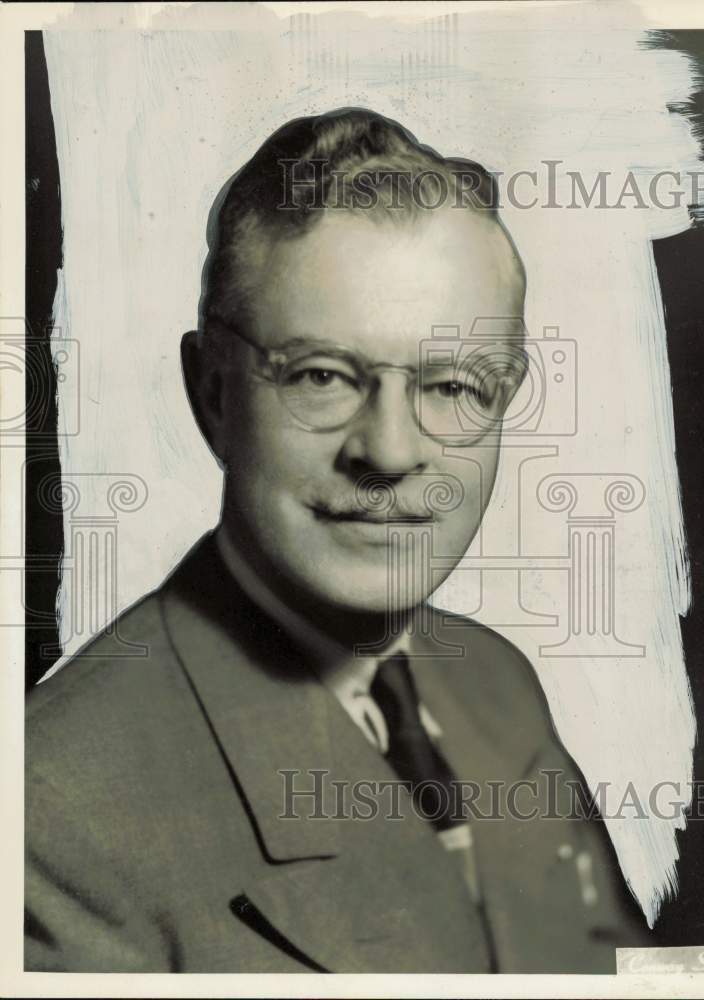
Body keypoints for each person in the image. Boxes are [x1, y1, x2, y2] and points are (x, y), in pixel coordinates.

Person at [25, 108, 647, 973]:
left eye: (453, 384)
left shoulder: (493, 681)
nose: (389, 451)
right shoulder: (47, 823)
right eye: (320, 376)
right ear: (212, 393)